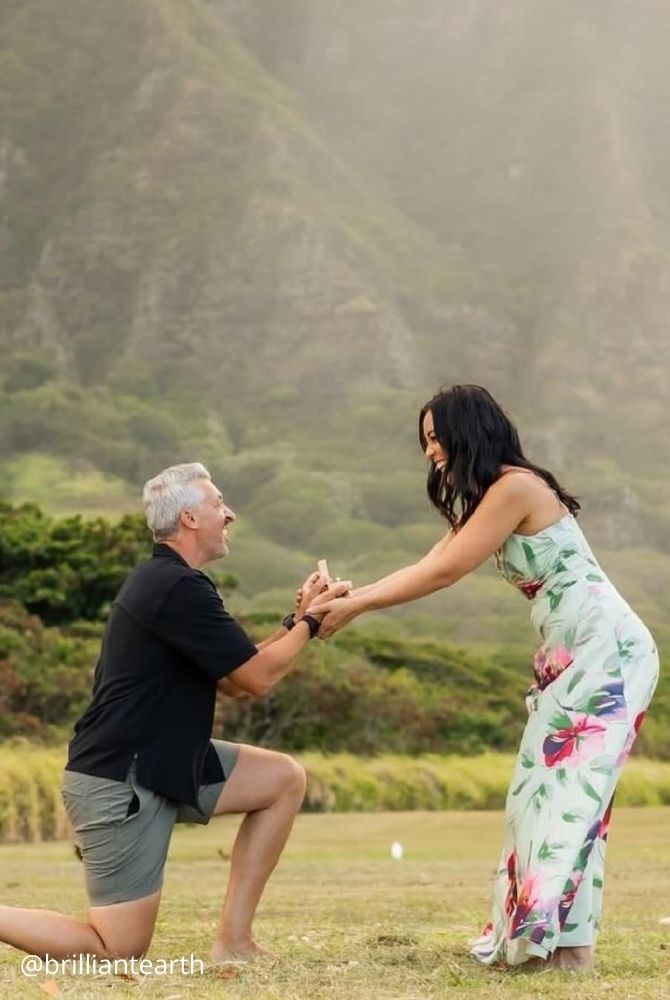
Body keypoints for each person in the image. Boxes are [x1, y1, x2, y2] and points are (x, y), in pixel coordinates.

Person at [309, 384, 659, 971]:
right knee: (543, 795)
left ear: (465, 430)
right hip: (573, 654)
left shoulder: (517, 487)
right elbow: (429, 563)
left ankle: (559, 948)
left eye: (434, 438)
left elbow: (445, 572)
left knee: (566, 796)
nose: (430, 451)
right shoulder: (495, 497)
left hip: (607, 650)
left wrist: (356, 607)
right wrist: (348, 599)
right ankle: (560, 945)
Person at [0, 462, 344, 964]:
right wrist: (312, 622)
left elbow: (235, 677)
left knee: (282, 779)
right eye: (218, 504)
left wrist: (297, 620)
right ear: (189, 518)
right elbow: (257, 678)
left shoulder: (175, 583)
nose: (230, 513)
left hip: (165, 761)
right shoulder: (174, 587)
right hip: (119, 778)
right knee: (118, 949)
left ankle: (234, 943)